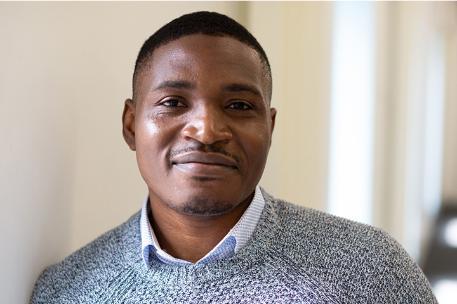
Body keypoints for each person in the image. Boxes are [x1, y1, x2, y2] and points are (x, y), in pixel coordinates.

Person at [31, 11, 437, 303]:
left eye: (240, 106)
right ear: (131, 125)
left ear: (270, 128)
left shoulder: (368, 270)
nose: (207, 131)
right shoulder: (68, 290)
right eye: (173, 102)